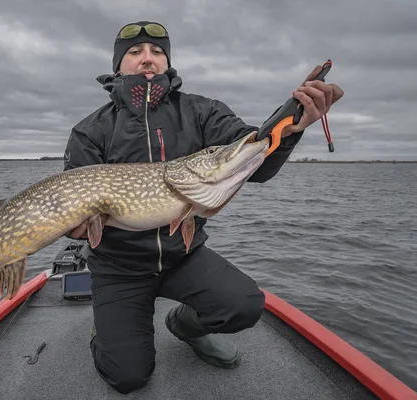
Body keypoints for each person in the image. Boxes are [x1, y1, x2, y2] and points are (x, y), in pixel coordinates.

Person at [62, 21, 344, 394]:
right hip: (118, 268)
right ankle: (110, 325)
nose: (148, 59)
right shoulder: (90, 130)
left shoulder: (202, 111)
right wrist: (74, 225)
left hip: (183, 256)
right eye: (135, 52)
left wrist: (290, 127)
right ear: (118, 65)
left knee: (244, 305)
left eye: (157, 52)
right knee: (128, 376)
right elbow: (71, 212)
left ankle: (184, 326)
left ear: (167, 62)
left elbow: (252, 156)